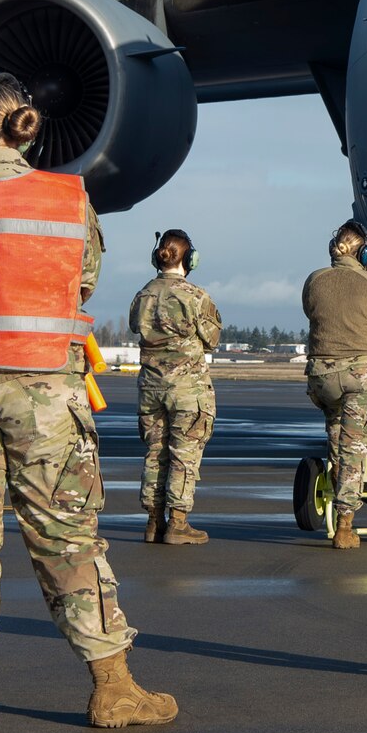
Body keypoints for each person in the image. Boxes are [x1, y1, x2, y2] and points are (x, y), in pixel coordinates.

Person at [0, 71, 175, 729]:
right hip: (44, 392)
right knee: (66, 535)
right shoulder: (68, 199)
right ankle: (112, 686)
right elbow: (81, 282)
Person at [300, 220, 367, 549]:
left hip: (321, 378)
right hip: (358, 376)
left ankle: (336, 483)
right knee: (354, 447)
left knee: (337, 431)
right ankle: (345, 524)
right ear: (365, 252)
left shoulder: (314, 280)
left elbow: (311, 311)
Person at [130, 228, 221, 545]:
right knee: (183, 456)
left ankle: (153, 522)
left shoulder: (143, 295)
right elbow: (212, 338)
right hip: (187, 389)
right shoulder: (196, 297)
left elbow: (134, 326)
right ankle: (178, 523)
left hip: (151, 387)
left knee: (155, 453)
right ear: (190, 259)